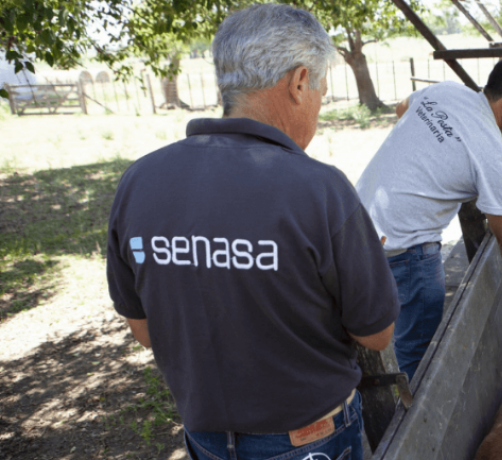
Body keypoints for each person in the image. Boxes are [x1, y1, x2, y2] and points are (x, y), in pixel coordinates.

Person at [106, 5, 400, 460]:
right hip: (310, 440)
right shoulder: (320, 190)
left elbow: (145, 330)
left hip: (206, 439)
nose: (319, 105)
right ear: (300, 81)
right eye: (320, 90)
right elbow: (376, 334)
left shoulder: (140, 181)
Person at [355, 55, 502, 381]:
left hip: (355, 225)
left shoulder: (444, 91)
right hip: (409, 251)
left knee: (357, 333)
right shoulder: (494, 157)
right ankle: (414, 425)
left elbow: (402, 109)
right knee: (417, 355)